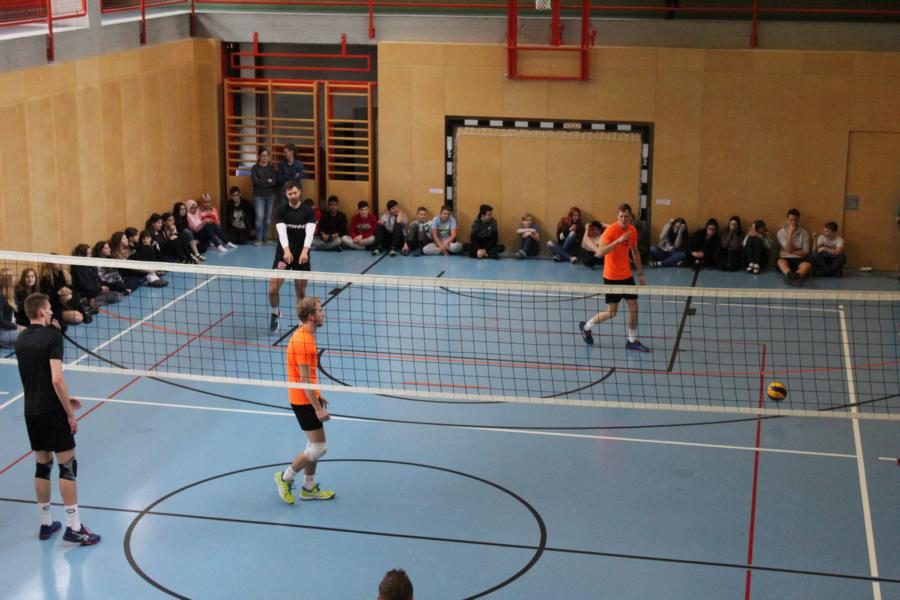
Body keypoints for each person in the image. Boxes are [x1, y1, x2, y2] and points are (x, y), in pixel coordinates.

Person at [15, 293, 101, 545]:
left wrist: (64, 396)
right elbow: (56, 378)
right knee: (67, 466)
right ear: (41, 311)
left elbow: (39, 378)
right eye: (49, 308)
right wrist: (69, 413)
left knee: (42, 465)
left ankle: (45, 523)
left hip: (31, 410)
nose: (52, 311)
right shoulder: (53, 337)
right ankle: (74, 527)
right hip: (52, 411)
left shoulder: (21, 339)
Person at [274, 296, 336, 504]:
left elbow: (308, 378)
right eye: (319, 310)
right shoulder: (303, 342)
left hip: (306, 397)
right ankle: (286, 477)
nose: (323, 313)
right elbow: (304, 380)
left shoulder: (306, 335)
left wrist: (317, 395)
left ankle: (309, 487)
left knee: (313, 445)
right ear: (310, 316)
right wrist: (317, 407)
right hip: (303, 401)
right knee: (319, 448)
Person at [579, 203, 650, 352]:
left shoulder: (632, 231)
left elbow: (635, 252)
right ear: (617, 217)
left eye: (626, 216)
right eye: (621, 216)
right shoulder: (611, 231)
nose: (623, 219)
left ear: (631, 218)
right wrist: (618, 241)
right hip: (611, 277)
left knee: (634, 307)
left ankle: (631, 340)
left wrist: (640, 274)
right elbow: (600, 252)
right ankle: (586, 327)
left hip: (627, 276)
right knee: (612, 312)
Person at [268, 181, 317, 334]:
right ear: (286, 194)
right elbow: (282, 233)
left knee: (300, 292)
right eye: (290, 194)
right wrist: (286, 251)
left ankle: (300, 323)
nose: (293, 196)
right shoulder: (281, 211)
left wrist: (305, 251)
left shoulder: (308, 211)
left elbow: (309, 233)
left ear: (300, 192)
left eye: (295, 193)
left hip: (302, 255)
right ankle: (275, 313)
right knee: (273, 290)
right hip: (284, 254)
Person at [71, 244, 123, 309]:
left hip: (96, 291)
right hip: (87, 293)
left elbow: (97, 278)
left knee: (118, 295)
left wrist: (102, 286)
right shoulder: (77, 269)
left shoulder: (90, 265)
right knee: (116, 296)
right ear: (81, 255)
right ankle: (90, 302)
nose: (91, 256)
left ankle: (93, 302)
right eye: (89, 254)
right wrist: (99, 289)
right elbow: (86, 286)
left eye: (91, 254)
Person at [776, 208, 812, 286]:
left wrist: (788, 252)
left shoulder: (804, 233)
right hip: (786, 259)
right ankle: (791, 275)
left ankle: (794, 277)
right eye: (791, 220)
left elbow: (805, 252)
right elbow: (789, 249)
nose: (793, 222)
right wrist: (790, 233)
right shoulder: (780, 232)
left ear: (798, 220)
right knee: (780, 262)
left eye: (796, 220)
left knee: (807, 265)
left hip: (799, 259)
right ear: (787, 220)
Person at [252, 148, 279, 245]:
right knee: (260, 217)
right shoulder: (255, 168)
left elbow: (274, 182)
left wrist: (262, 181)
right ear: (259, 156)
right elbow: (255, 182)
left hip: (270, 195)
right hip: (258, 196)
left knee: (268, 219)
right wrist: (267, 181)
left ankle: (265, 238)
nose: (264, 157)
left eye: (266, 155)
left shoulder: (271, 168)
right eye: (262, 155)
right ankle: (258, 239)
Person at [0, 268, 22, 348]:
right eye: (12, 276)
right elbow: (0, 321)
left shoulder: (10, 295)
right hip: (2, 333)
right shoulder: (1, 297)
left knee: (33, 333)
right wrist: (17, 327)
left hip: (10, 330)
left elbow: (20, 306)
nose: (14, 277)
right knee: (30, 336)